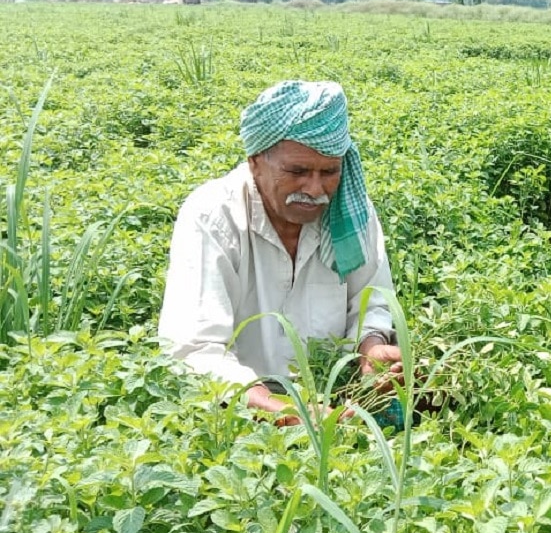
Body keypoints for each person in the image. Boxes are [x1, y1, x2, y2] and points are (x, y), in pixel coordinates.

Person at [158, 80, 401, 421]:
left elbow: (371, 301)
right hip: (238, 418)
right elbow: (193, 349)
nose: (315, 189)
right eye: (297, 171)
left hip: (339, 407)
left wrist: (371, 350)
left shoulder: (350, 211)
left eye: (329, 172)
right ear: (255, 161)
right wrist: (279, 409)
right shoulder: (214, 216)